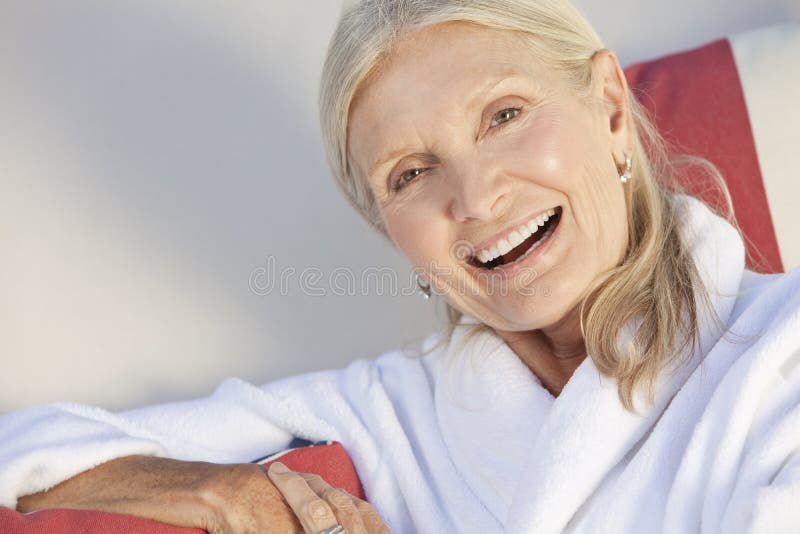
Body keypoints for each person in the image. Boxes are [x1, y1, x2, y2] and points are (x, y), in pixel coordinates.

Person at [2, 0, 799, 533]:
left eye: (505, 115)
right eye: (411, 174)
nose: (477, 197)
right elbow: (26, 453)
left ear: (612, 112)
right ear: (390, 233)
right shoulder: (392, 412)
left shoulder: (783, 353)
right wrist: (216, 490)